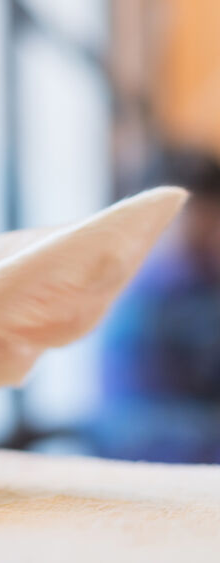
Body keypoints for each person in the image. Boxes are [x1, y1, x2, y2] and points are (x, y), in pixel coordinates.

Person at [94, 148, 220, 463]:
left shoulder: (207, 283)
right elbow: (133, 428)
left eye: (210, 215)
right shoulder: (137, 301)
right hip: (152, 465)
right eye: (192, 216)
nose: (204, 228)